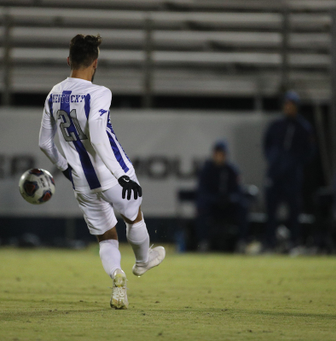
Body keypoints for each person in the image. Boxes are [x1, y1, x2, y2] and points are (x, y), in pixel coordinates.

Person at [38, 34, 165, 309]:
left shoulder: (53, 94)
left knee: (107, 238)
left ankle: (118, 277)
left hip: (81, 181)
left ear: (68, 60)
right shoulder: (99, 92)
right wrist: (121, 173)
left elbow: (44, 143)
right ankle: (142, 262)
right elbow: (97, 137)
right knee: (134, 217)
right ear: (95, 63)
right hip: (111, 175)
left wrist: (66, 169)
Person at [263, 91, 316, 251]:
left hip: (292, 176)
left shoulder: (303, 127)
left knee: (294, 210)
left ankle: (294, 241)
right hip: (275, 173)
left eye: (292, 105)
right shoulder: (276, 125)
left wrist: (295, 162)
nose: (289, 108)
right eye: (287, 105)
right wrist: (274, 159)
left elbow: (309, 151)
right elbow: (267, 144)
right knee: (271, 209)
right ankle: (269, 242)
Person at [195, 141, 248, 252]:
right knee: (201, 207)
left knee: (243, 207)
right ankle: (203, 242)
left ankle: (241, 242)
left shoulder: (231, 170)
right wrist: (215, 198)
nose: (219, 157)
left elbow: (238, 190)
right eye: (217, 154)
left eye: (222, 154)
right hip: (212, 205)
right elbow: (202, 191)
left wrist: (230, 198)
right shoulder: (207, 170)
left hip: (229, 206)